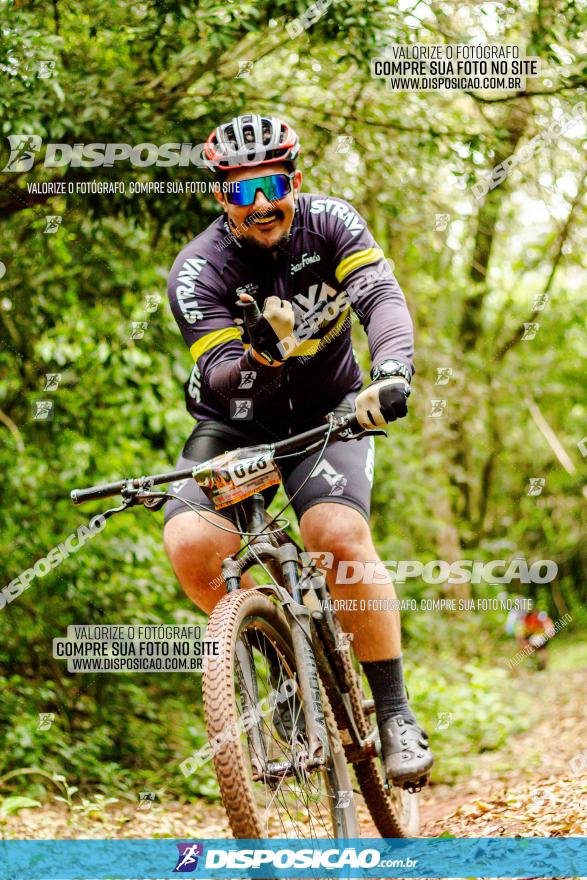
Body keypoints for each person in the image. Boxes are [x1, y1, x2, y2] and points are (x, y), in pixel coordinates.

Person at [163, 113, 433, 788]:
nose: (262, 206)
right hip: (235, 425)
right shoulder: (199, 268)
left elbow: (379, 297)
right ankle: (277, 655)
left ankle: (394, 711)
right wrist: (262, 351)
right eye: (242, 191)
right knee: (191, 544)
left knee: (334, 534)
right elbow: (225, 376)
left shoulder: (332, 224)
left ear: (295, 182)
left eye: (273, 185)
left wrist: (391, 371)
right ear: (221, 198)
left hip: (329, 412)